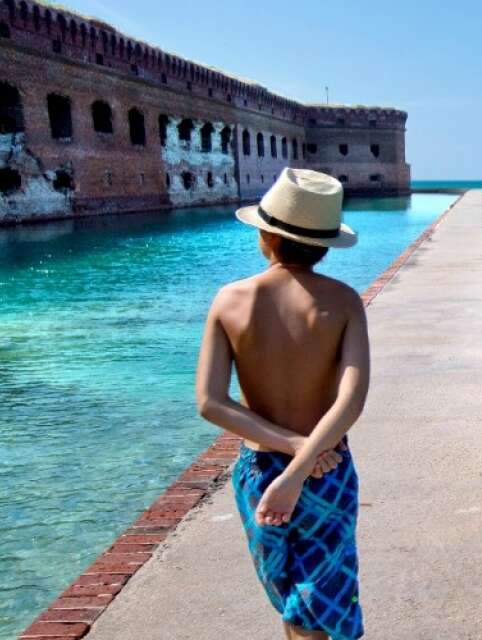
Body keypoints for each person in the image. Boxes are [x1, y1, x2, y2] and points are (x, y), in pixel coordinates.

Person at [195, 168, 369, 639]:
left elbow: (211, 403)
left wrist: (288, 457)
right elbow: (351, 401)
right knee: (326, 592)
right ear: (326, 244)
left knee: (292, 598)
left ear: (267, 235)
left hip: (259, 470)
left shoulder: (231, 300)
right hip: (326, 466)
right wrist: (304, 457)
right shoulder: (343, 302)